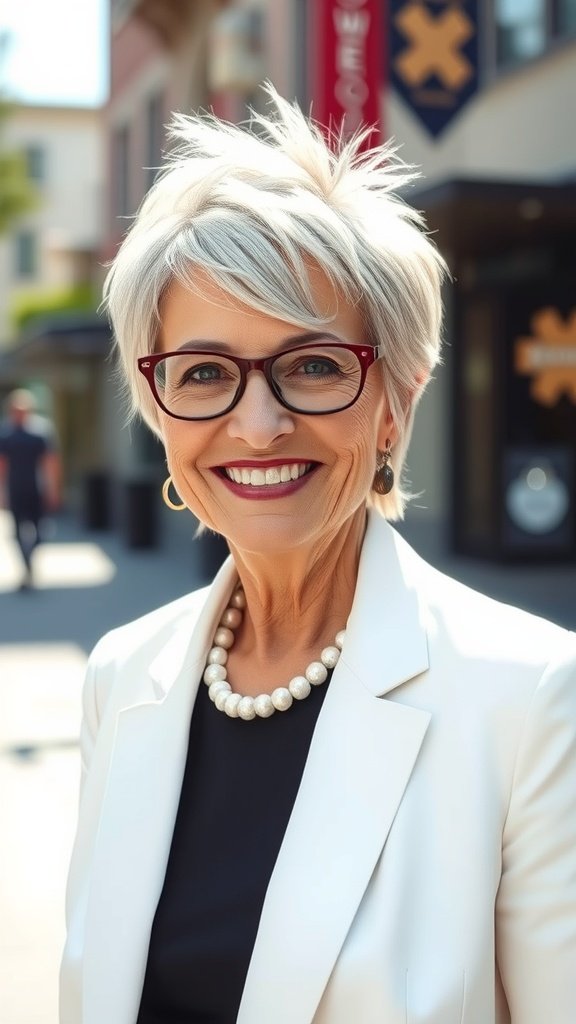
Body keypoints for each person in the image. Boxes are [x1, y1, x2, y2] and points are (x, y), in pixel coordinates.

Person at [60, 86, 576, 1024]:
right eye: (206, 373)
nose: (257, 426)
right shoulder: (122, 675)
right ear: (160, 408)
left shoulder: (531, 700)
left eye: (313, 365)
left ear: (397, 404)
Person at [0, 388, 61, 588]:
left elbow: (50, 462)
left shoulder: (40, 432)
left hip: (37, 488)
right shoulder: (6, 434)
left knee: (41, 531)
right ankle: (27, 568)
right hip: (15, 488)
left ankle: (29, 561)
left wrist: (53, 490)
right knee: (17, 532)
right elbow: (2, 464)